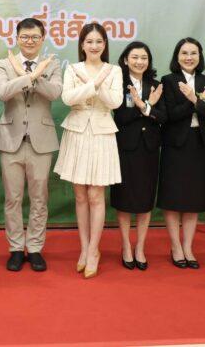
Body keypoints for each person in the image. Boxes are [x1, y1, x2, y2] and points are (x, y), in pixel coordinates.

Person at [54, 22, 123, 279]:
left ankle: (94, 250)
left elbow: (115, 102)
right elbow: (68, 98)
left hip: (103, 133)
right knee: (80, 196)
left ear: (105, 45)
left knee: (96, 195)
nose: (94, 46)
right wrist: (93, 84)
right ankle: (84, 248)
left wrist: (97, 84)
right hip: (77, 131)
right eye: (90, 41)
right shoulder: (73, 69)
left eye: (99, 41)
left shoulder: (114, 70)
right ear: (82, 45)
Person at [0, 18, 62, 272]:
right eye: (25, 37)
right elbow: (2, 92)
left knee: (39, 198)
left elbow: (55, 93)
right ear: (17, 38)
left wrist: (34, 76)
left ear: (42, 39)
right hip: (10, 139)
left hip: (41, 142)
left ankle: (34, 248)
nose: (29, 41)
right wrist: (30, 76)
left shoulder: (52, 64)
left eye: (34, 37)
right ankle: (15, 248)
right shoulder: (4, 64)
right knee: (12, 198)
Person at [157, 37, 205, 270]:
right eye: (184, 53)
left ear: (200, 56)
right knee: (173, 198)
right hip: (176, 145)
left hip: (199, 143)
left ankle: (188, 247)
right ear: (177, 56)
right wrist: (196, 99)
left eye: (193, 53)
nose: (189, 57)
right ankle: (176, 247)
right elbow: (171, 115)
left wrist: (197, 99)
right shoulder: (168, 80)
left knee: (194, 199)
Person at [111, 41, 165, 271]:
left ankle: (140, 247)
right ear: (126, 60)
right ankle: (126, 246)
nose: (139, 61)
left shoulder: (157, 85)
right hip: (125, 147)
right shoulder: (117, 83)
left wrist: (145, 106)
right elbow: (120, 117)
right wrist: (145, 107)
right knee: (124, 199)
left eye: (144, 58)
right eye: (135, 57)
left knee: (145, 200)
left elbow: (163, 116)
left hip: (149, 148)